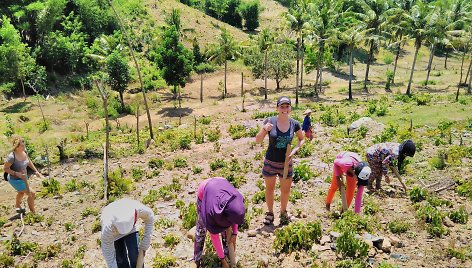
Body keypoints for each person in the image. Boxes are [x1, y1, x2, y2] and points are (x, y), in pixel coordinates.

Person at [255, 96, 305, 226]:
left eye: (287, 106)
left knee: (285, 191)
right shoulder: (270, 121)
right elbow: (258, 140)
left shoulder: (295, 124)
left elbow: (301, 139)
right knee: (269, 189)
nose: (284, 109)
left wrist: (294, 150)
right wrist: (265, 129)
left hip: (286, 164)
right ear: (277, 108)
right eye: (282, 106)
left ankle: (283, 212)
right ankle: (270, 212)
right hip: (271, 161)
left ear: (290, 108)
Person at [193, 177, 245, 268]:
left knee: (225, 229)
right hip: (204, 191)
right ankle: (197, 258)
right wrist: (222, 260)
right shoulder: (212, 213)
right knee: (201, 229)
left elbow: (234, 217)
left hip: (220, 185)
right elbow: (214, 236)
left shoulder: (235, 201)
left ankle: (226, 252)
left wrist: (235, 234)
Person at [101, 198, 154, 268]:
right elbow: (109, 255)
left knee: (135, 254)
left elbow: (149, 218)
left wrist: (146, 240)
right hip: (114, 234)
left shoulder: (138, 209)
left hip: (131, 229)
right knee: (120, 259)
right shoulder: (107, 227)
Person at [3, 135, 43, 214]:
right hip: (15, 179)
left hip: (24, 177)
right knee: (31, 193)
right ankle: (33, 213)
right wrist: (17, 174)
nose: (24, 146)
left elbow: (28, 161)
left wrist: (36, 171)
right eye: (22, 145)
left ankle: (17, 205)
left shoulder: (24, 151)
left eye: (24, 144)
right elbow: (5, 169)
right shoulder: (11, 157)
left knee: (21, 192)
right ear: (16, 146)